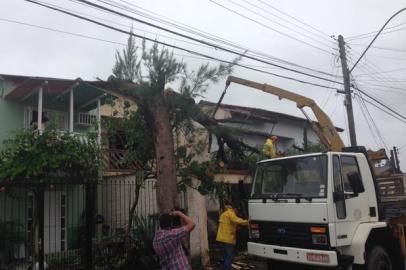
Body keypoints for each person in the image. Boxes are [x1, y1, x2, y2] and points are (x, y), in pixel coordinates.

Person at [216, 199, 248, 270]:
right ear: (235, 209)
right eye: (237, 211)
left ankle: (224, 268)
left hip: (221, 238)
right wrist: (248, 222)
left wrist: (235, 228)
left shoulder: (224, 214)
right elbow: (237, 220)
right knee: (229, 256)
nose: (237, 213)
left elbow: (227, 225)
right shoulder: (230, 213)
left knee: (225, 256)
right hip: (228, 239)